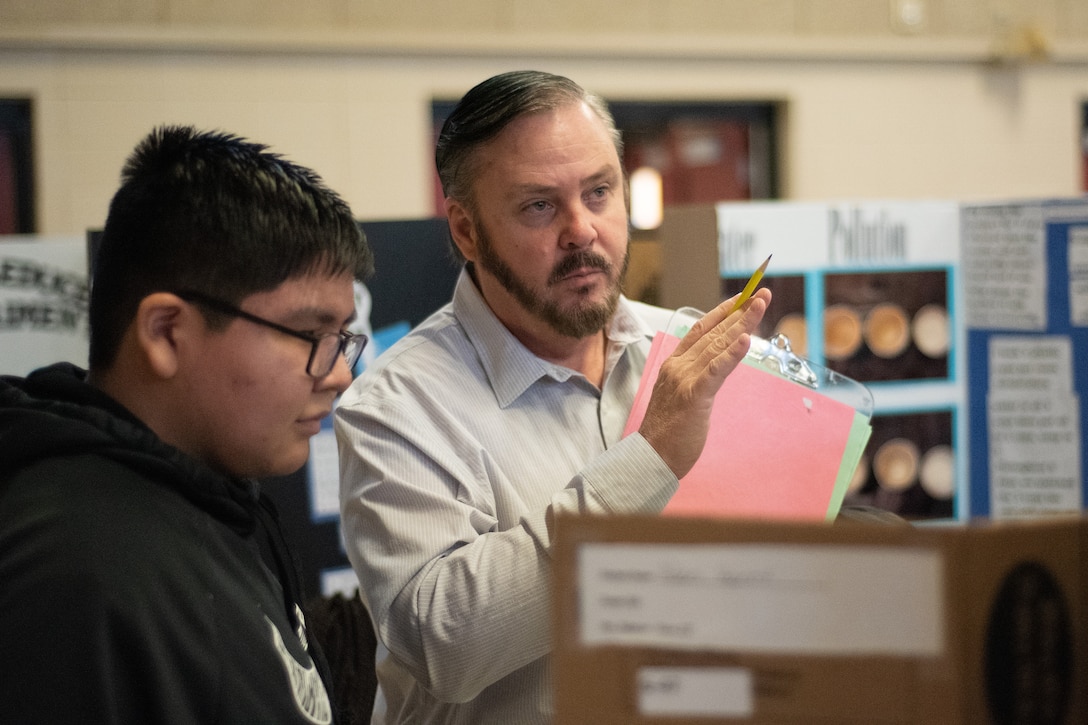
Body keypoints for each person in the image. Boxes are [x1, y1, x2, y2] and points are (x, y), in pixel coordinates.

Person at [335, 70, 771, 724]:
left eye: (600, 192)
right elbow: (443, 643)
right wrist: (646, 462)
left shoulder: (685, 352)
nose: (582, 230)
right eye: (540, 205)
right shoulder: (395, 407)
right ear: (467, 231)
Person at [0, 125, 374, 724]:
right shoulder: (73, 576)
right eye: (311, 336)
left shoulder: (221, 499)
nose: (338, 376)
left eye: (341, 340)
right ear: (167, 333)